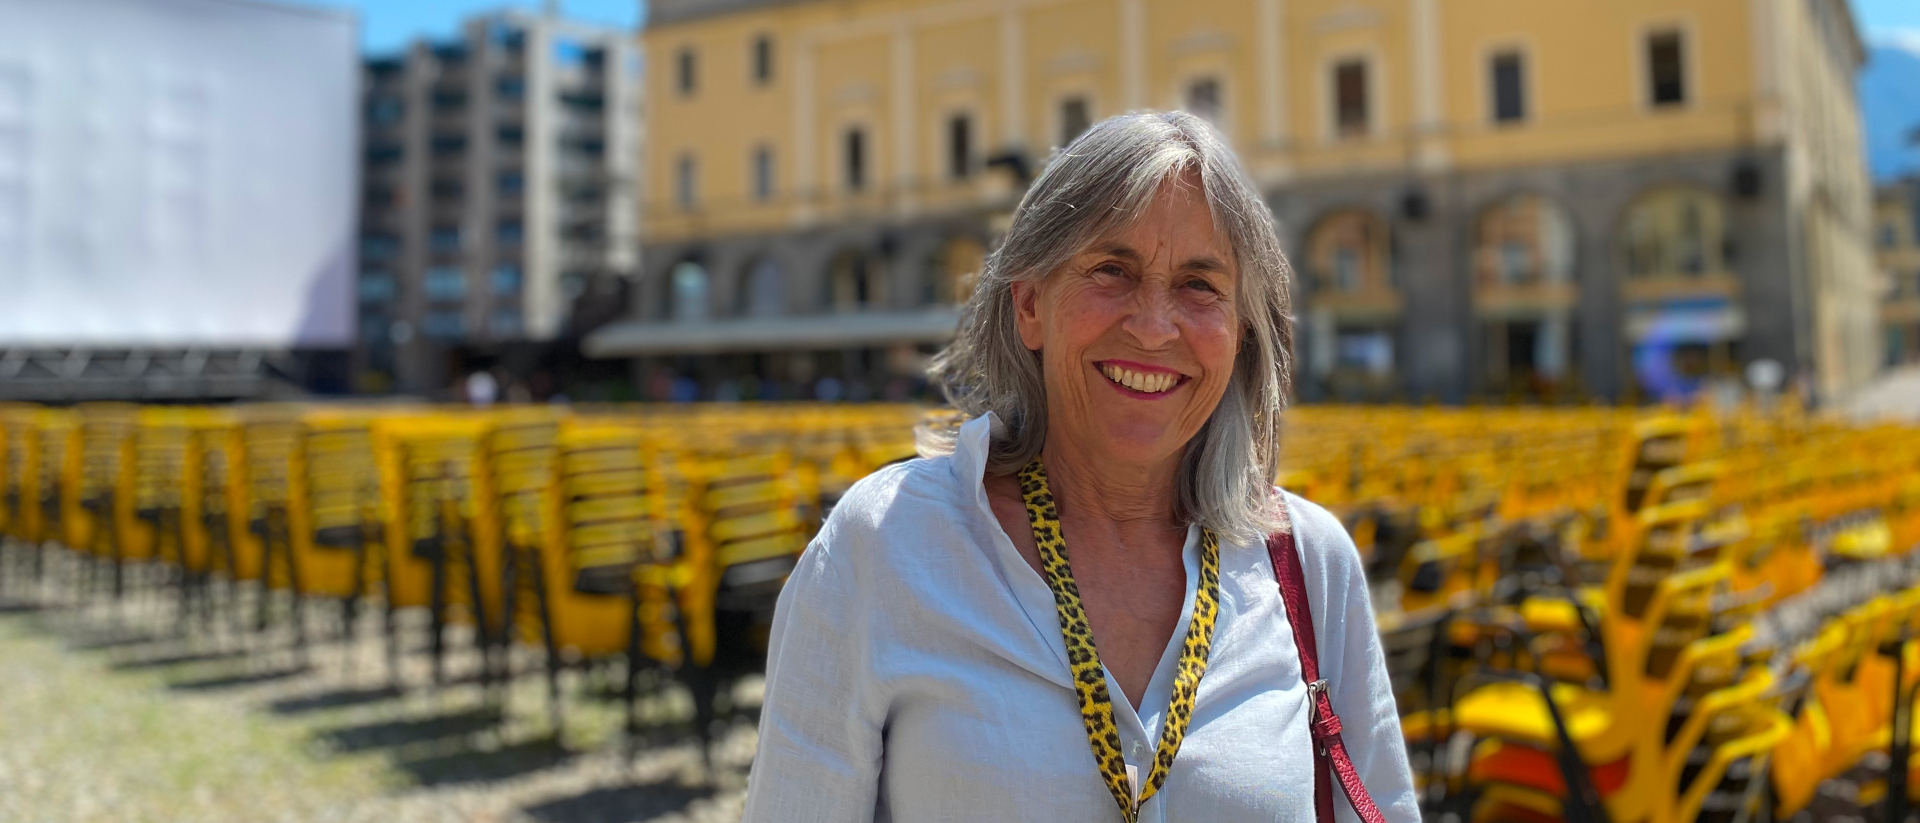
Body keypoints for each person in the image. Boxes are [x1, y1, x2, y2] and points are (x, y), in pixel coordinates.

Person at [742, 111, 1417, 823]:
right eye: (1111, 271)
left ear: (1240, 332)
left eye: (1199, 285)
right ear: (1030, 305)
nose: (1154, 326)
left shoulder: (1309, 561)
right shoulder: (882, 544)